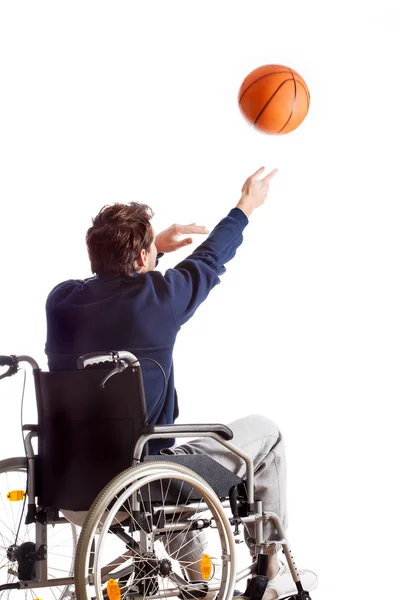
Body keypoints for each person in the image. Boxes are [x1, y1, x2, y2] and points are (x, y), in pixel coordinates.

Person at [45, 166, 318, 600]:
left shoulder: (61, 301)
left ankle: (197, 584)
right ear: (140, 260)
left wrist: (152, 251)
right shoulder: (160, 298)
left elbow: (108, 287)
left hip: (69, 483)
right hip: (138, 479)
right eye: (150, 247)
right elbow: (211, 258)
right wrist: (245, 205)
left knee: (167, 464)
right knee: (264, 433)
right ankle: (269, 566)